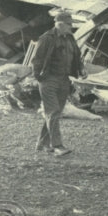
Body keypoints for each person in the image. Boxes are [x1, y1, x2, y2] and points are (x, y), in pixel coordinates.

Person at [32, 11, 85, 157]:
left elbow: (77, 56)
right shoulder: (47, 38)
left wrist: (80, 70)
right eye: (68, 25)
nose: (71, 27)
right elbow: (37, 60)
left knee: (53, 113)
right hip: (49, 80)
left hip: (64, 80)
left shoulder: (69, 38)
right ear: (59, 24)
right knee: (53, 111)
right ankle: (57, 146)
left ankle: (42, 144)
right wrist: (39, 77)